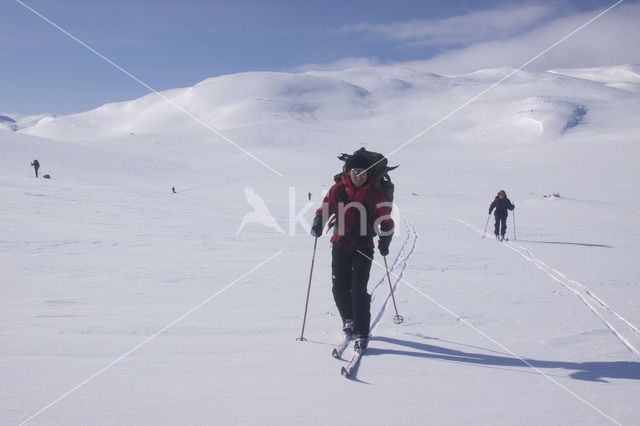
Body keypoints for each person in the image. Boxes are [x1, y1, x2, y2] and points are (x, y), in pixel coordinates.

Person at [310, 153, 394, 354]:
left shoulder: (375, 193)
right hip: (340, 243)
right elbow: (325, 208)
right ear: (348, 172)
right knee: (339, 287)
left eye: (363, 172)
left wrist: (385, 240)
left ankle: (362, 332)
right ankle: (348, 319)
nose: (359, 176)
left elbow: (386, 220)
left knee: (358, 289)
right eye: (355, 171)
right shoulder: (338, 189)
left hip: (364, 246)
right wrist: (318, 224)